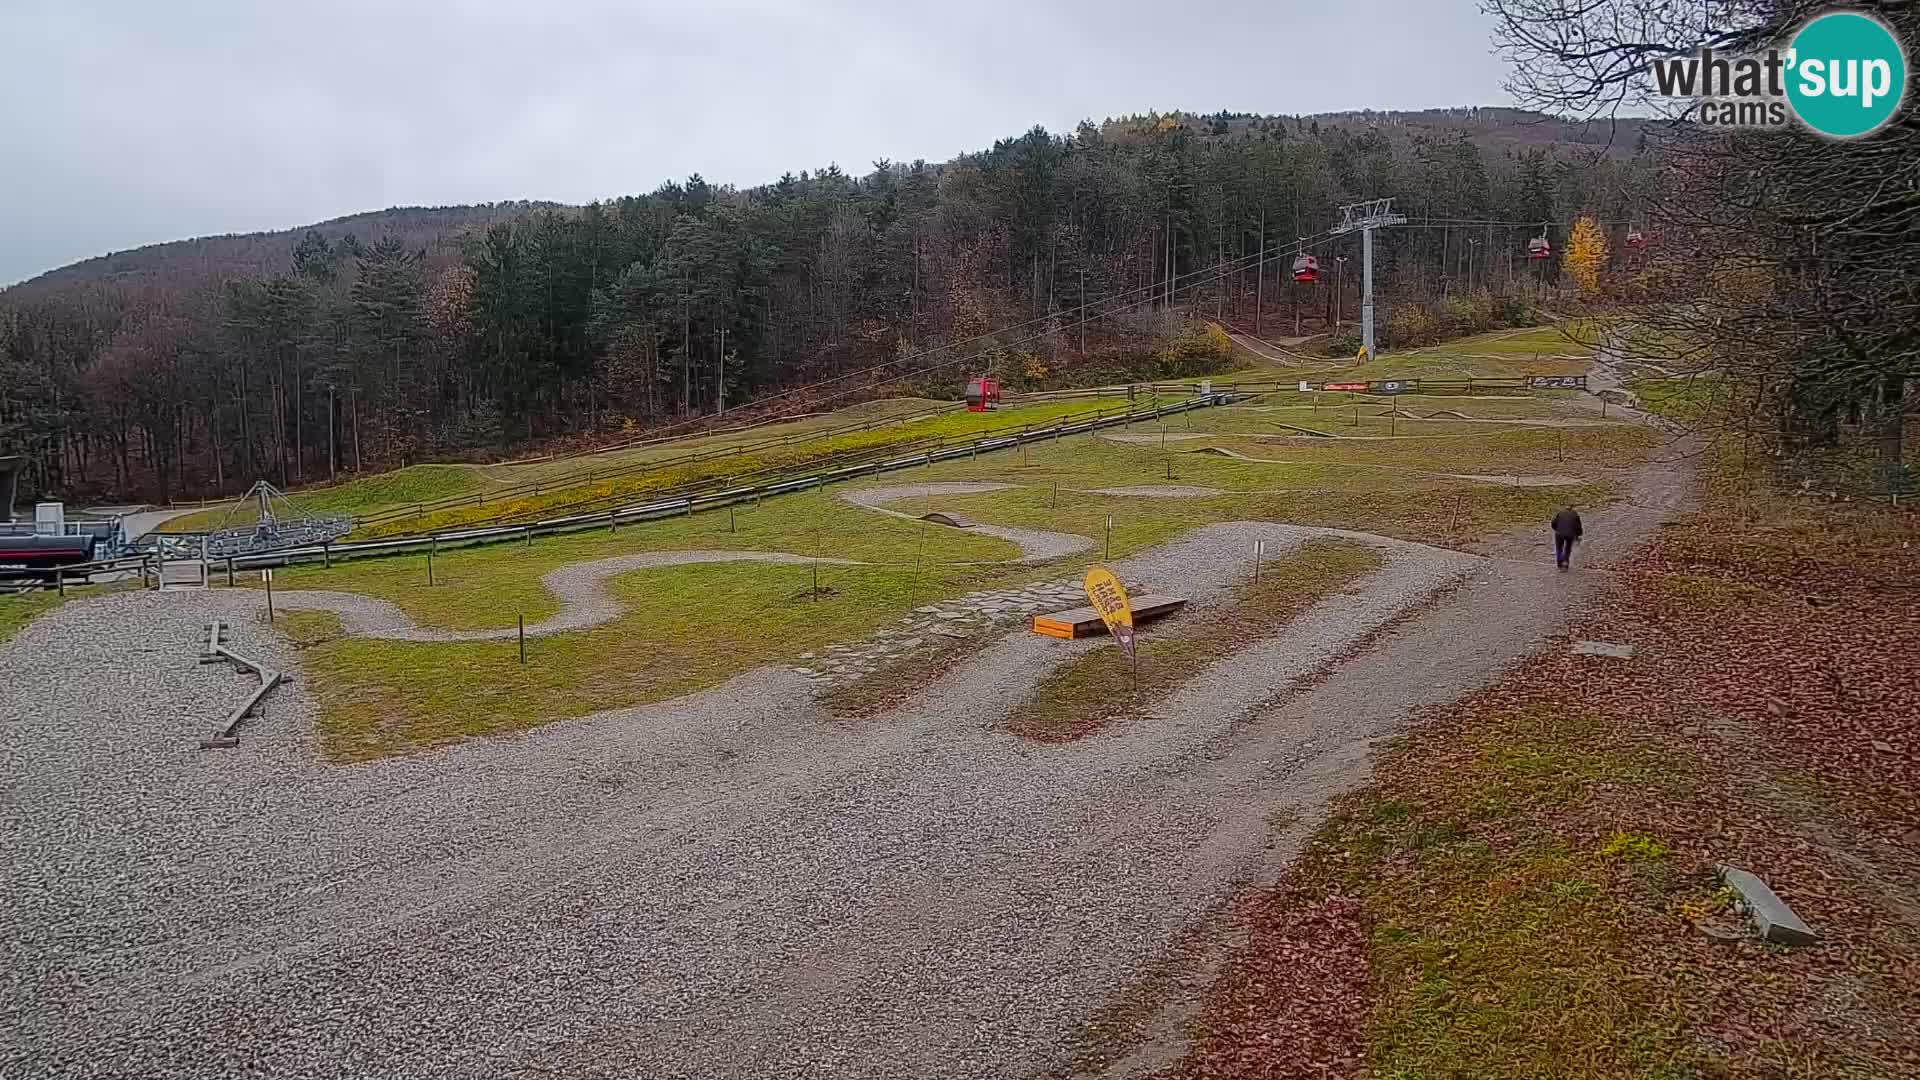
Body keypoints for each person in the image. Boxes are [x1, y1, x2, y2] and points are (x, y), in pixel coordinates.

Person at [1551, 505, 1583, 571]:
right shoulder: (1575, 514)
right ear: (1571, 509)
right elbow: (1578, 526)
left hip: (1559, 533)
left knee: (1559, 548)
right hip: (1570, 534)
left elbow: (1553, 523)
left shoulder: (1560, 513)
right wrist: (1579, 534)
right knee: (1568, 548)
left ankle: (1560, 563)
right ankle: (1565, 562)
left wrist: (1556, 529)